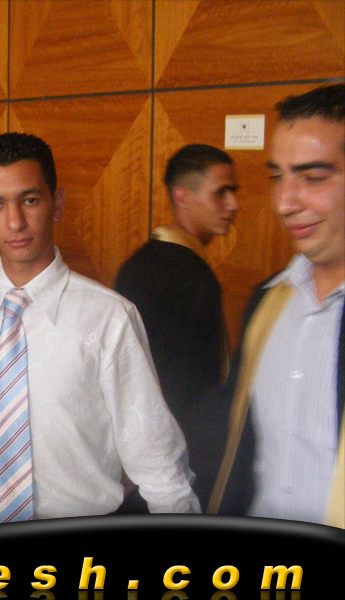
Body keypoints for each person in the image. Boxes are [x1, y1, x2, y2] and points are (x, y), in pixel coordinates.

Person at [0, 132, 200, 523]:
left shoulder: (109, 317)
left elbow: (158, 464)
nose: (15, 221)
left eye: (30, 200)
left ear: (56, 204)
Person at [209, 83, 344, 528]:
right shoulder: (268, 303)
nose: (285, 203)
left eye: (313, 177)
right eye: (277, 177)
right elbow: (238, 451)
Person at [114, 144, 239, 509]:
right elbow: (189, 389)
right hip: (173, 470)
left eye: (233, 192)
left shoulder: (139, 263)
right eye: (221, 193)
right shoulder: (191, 277)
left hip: (135, 459)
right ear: (183, 196)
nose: (233, 204)